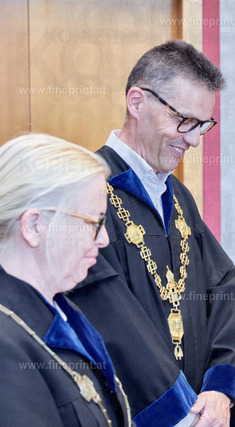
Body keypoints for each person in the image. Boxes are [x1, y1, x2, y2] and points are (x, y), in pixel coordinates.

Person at [68, 40, 235, 426]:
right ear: (137, 102)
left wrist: (220, 388)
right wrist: (181, 412)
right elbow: (108, 314)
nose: (194, 139)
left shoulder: (178, 196)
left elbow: (224, 286)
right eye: (184, 120)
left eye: (202, 125)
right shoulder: (86, 191)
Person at [0, 134, 131, 425]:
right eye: (94, 222)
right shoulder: (4, 346)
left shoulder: (64, 313)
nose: (104, 239)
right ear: (34, 226)